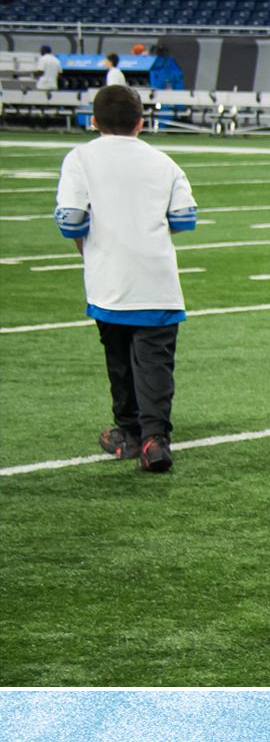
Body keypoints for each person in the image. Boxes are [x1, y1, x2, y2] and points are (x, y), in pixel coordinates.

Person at [57, 85, 195, 474]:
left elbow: (70, 219)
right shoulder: (163, 161)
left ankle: (128, 432)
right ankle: (156, 439)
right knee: (155, 361)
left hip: (108, 276)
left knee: (118, 357)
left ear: (94, 120)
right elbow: (185, 218)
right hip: (157, 278)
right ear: (141, 122)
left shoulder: (80, 158)